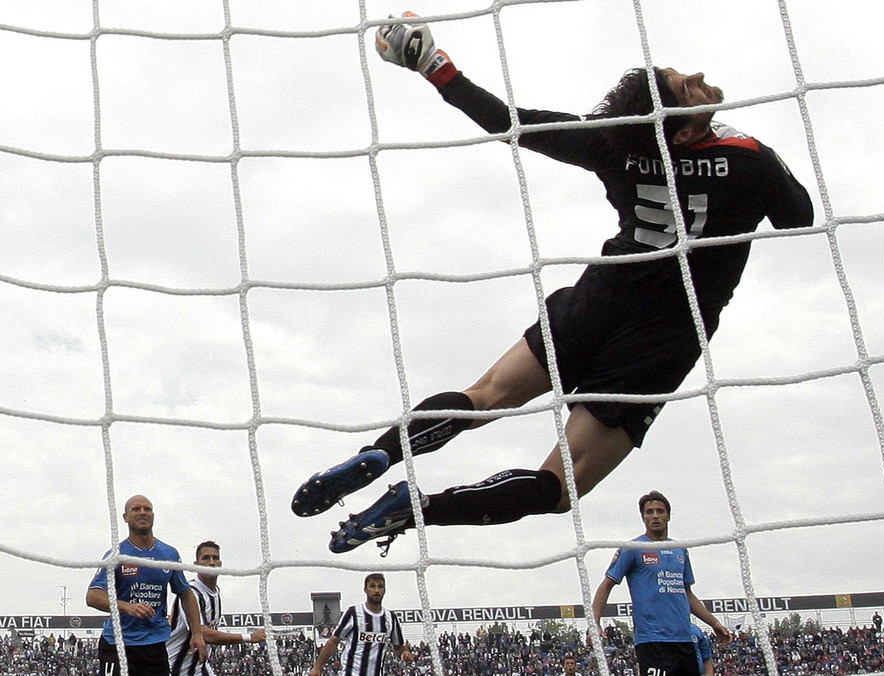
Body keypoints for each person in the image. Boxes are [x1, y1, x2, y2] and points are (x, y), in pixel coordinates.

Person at [291, 12, 814, 555]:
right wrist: (749, 163)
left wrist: (430, 62)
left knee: (487, 395)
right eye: (689, 85)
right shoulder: (750, 161)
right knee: (560, 486)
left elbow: (510, 121)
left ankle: (382, 452)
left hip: (598, 301)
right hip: (663, 339)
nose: (701, 77)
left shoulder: (615, 145)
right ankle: (418, 509)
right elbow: (800, 217)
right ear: (682, 130)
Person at [591, 491, 732, 676]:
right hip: (653, 641)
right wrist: (595, 623)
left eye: (660, 511)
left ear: (668, 515)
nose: (655, 516)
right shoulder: (633, 549)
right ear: (643, 517)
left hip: (684, 640)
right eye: (649, 512)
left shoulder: (680, 550)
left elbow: (687, 593)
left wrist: (714, 623)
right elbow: (606, 585)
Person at [86, 495, 208, 676]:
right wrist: (127, 607)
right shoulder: (117, 555)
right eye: (136, 509)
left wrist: (197, 634)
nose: (142, 512)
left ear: (153, 515)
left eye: (147, 509)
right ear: (126, 517)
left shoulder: (169, 554)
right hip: (119, 643)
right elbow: (93, 596)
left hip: (154, 645)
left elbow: (185, 593)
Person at [165, 541, 267, 676]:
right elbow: (203, 633)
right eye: (205, 558)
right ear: (196, 565)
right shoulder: (191, 594)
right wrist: (249, 637)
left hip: (199, 668)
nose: (212, 562)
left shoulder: (215, 593)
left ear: (220, 564)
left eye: (215, 558)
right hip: (175, 669)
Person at [309, 574, 408, 676]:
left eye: (380, 586)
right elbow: (333, 642)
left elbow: (398, 647)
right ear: (365, 589)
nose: (377, 590)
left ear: (384, 590)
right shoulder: (354, 613)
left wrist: (405, 653)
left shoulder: (390, 617)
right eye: (372, 586)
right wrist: (317, 667)